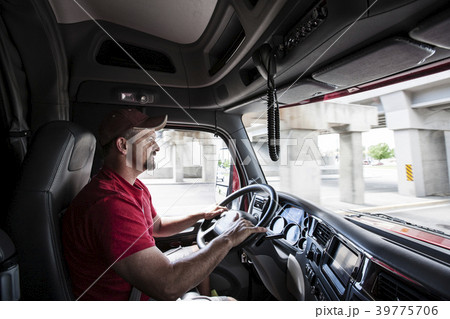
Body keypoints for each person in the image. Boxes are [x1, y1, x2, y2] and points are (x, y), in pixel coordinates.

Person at [62, 108, 266, 301]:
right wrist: (228, 240)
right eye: (149, 139)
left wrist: (200, 214)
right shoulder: (110, 204)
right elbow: (167, 285)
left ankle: (204, 300)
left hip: (138, 288)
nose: (157, 146)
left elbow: (156, 226)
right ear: (123, 146)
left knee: (197, 250)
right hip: (131, 300)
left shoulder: (132, 186)